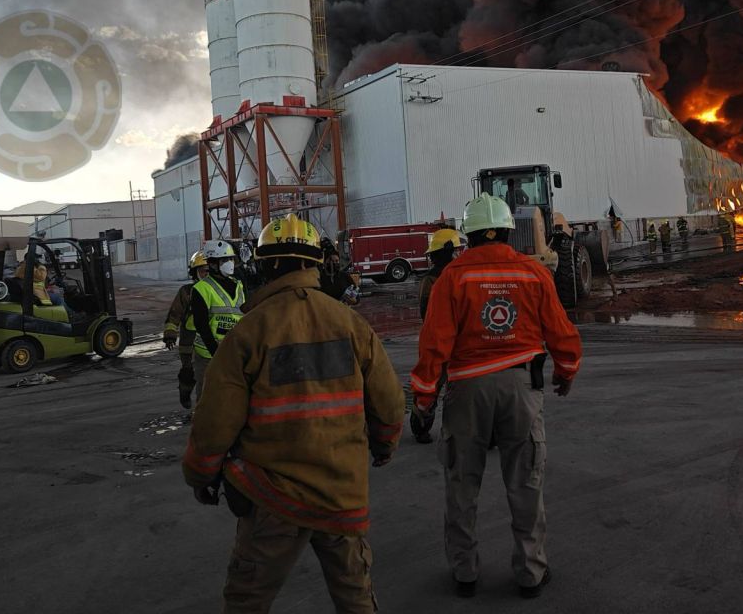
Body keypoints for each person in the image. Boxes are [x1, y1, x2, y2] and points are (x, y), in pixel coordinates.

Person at [182, 213, 405, 614]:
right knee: (355, 598)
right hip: (342, 492)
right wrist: (385, 444)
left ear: (265, 265)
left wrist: (201, 474)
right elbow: (388, 402)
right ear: (315, 264)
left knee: (247, 601)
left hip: (272, 497)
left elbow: (214, 422)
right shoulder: (351, 323)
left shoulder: (249, 332)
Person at [410, 193, 582, 599]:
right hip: (521, 390)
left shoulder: (451, 278)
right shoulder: (533, 273)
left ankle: (465, 573)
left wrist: (424, 396)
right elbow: (560, 330)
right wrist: (566, 369)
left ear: (468, 235)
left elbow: (433, 344)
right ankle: (530, 573)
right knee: (526, 484)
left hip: (466, 391)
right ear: (508, 230)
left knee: (462, 486)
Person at [411, 227, 463, 445]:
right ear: (449, 251)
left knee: (433, 386)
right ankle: (422, 425)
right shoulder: (440, 280)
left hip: (443, 341)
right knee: (440, 386)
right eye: (457, 250)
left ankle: (423, 425)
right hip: (448, 343)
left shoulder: (438, 279)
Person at [189, 239, 246, 399]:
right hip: (209, 354)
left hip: (235, 351)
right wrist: (216, 352)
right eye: (225, 260)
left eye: (231, 259)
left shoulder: (239, 285)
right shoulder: (201, 289)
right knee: (208, 397)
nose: (230, 263)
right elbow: (201, 326)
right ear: (213, 264)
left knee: (235, 397)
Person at [164, 251, 209, 409]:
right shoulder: (186, 292)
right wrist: (170, 335)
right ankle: (185, 391)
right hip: (189, 342)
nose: (206, 274)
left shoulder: (216, 290)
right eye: (203, 271)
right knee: (188, 372)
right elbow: (175, 314)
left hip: (208, 342)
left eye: (209, 270)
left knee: (207, 375)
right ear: (194, 273)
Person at [318, 237, 359, 305]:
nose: (334, 263)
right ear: (325, 262)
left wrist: (354, 300)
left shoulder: (344, 276)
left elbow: (356, 296)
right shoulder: (319, 278)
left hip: (343, 312)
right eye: (331, 261)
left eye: (337, 261)